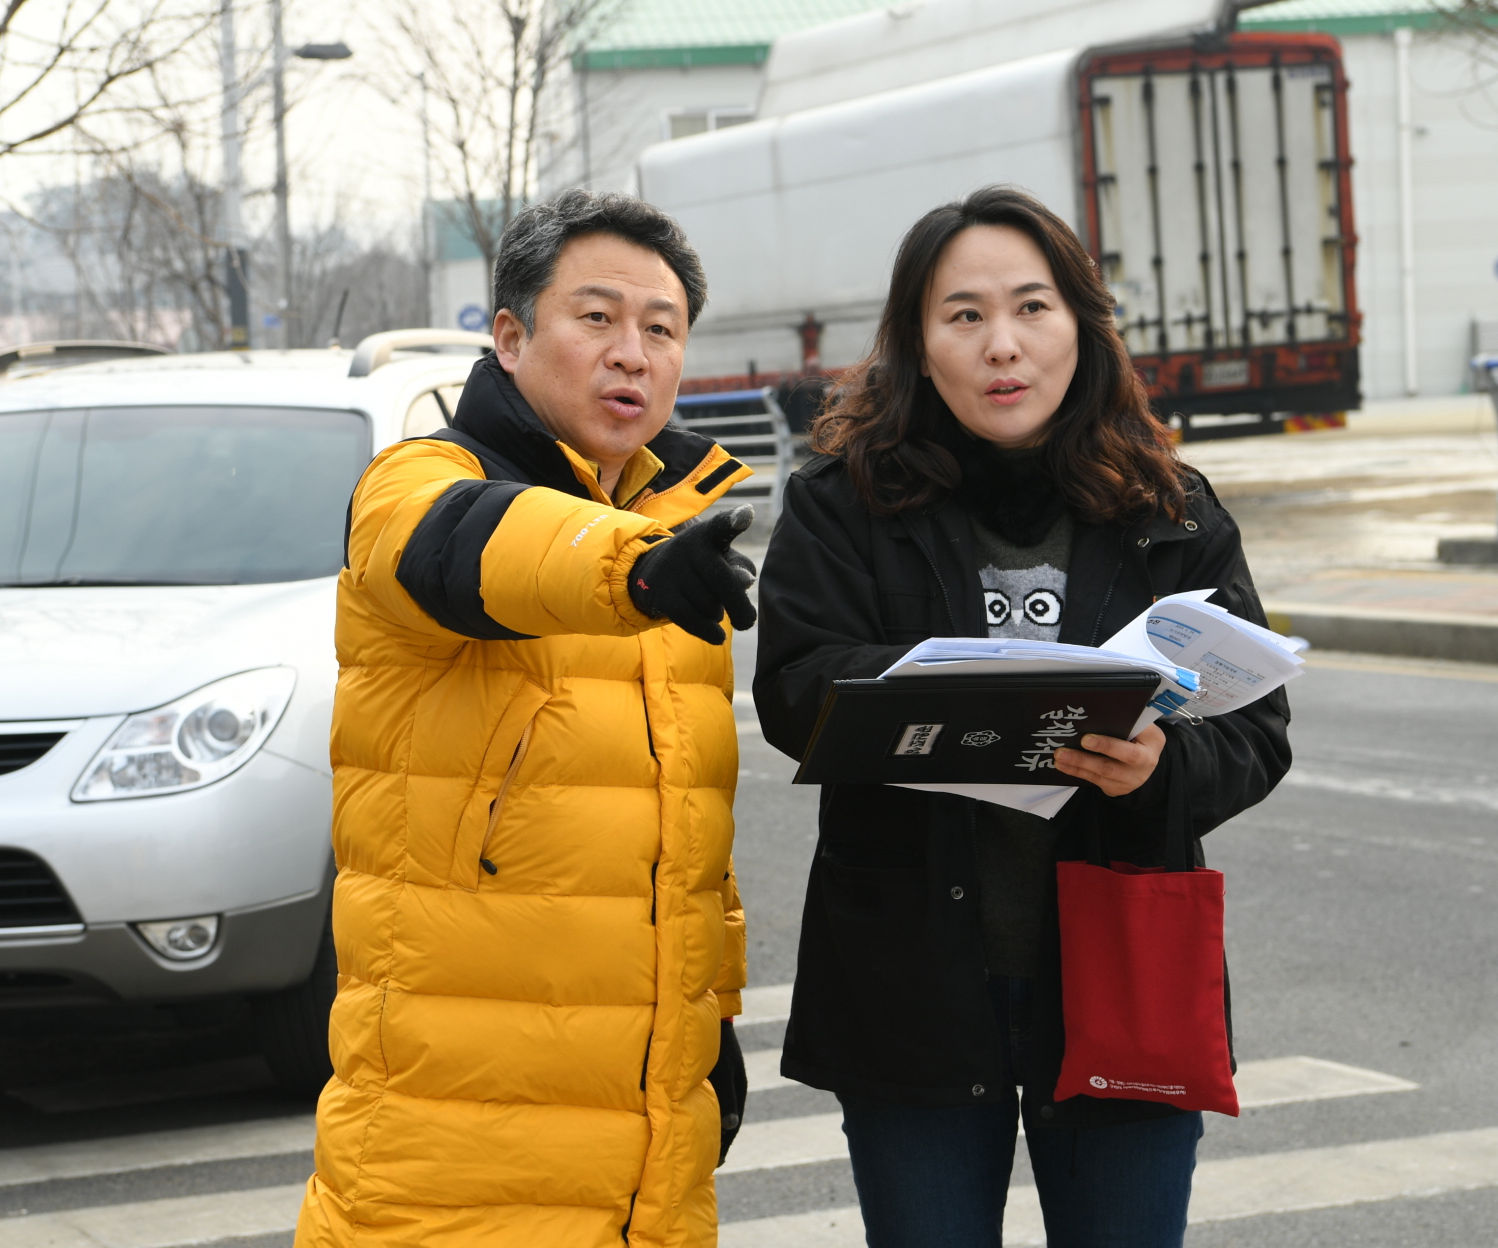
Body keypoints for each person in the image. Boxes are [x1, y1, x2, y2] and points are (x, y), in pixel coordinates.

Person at [753, 186, 1292, 1248]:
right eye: (962, 315)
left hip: (1120, 970)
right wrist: (963, 689)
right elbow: (793, 687)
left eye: (1031, 307)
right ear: (917, 342)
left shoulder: (1169, 508)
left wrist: (1158, 767)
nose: (1001, 344)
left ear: (1080, 327)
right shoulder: (843, 502)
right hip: (912, 974)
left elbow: (1256, 729)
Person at [299, 188, 757, 1248]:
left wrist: (711, 1024)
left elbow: (685, 844)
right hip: (453, 1154)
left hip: (651, 1146)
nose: (631, 353)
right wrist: (629, 569)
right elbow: (472, 547)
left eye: (661, 327)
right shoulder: (418, 483)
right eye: (594, 318)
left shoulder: (680, 534)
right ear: (507, 336)